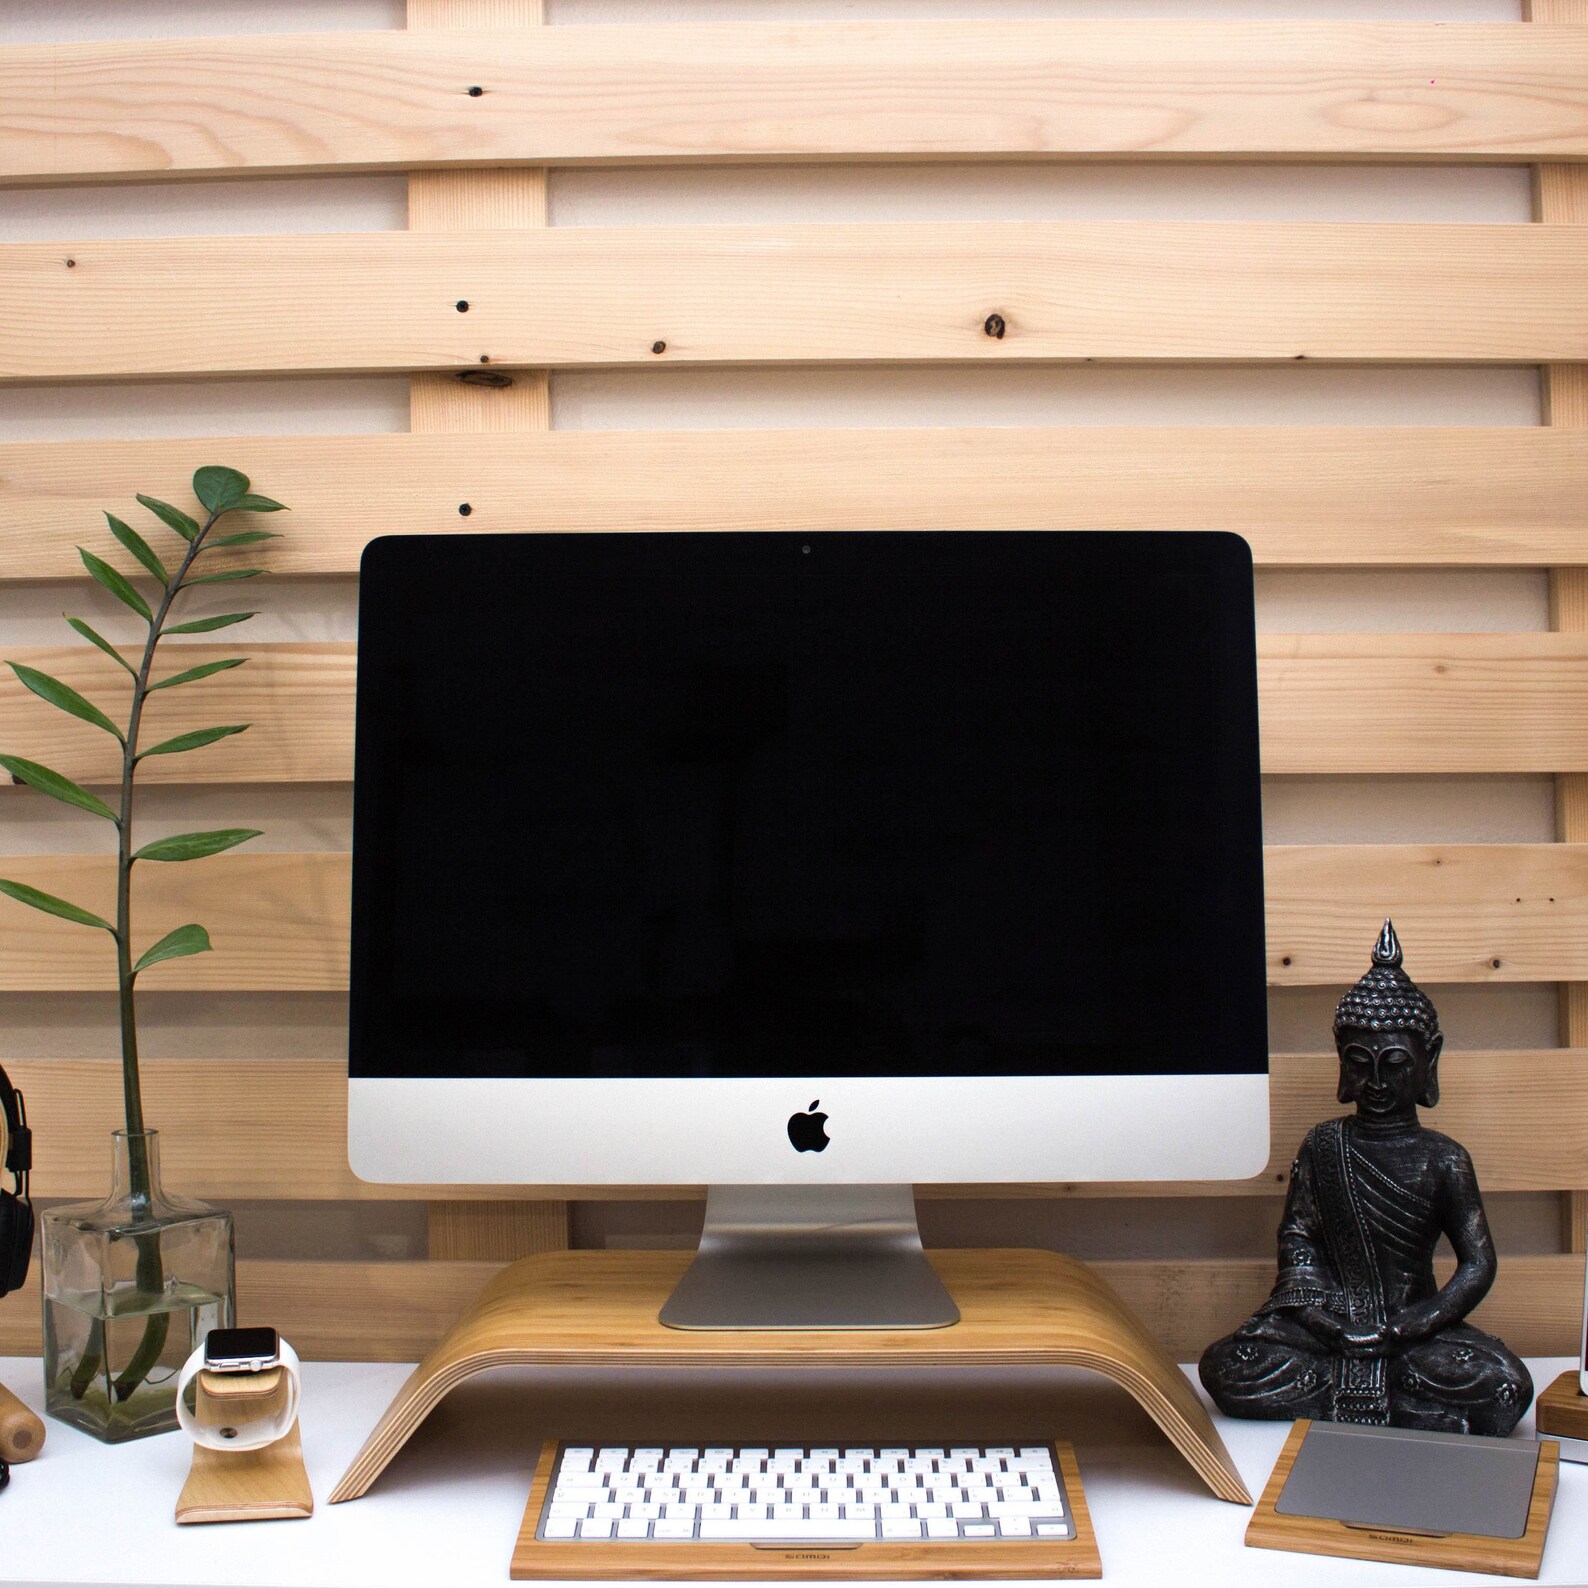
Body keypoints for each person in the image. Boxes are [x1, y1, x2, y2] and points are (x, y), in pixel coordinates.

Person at [1200, 920, 1531, 1434]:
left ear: (1429, 1059)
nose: (1375, 1082)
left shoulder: (1444, 1159)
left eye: (1394, 1063)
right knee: (1225, 1367)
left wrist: (1414, 1323)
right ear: (1342, 1062)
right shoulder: (1322, 1146)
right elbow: (1298, 1243)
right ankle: (1410, 1410)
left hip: (1412, 1331)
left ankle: (1355, 1397)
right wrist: (1326, 1324)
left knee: (1506, 1384)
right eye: (1360, 1063)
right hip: (1327, 1329)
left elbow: (1477, 1264)